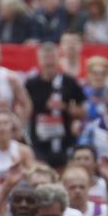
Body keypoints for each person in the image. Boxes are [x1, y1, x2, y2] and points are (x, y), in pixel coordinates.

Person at [26, 40, 86, 170]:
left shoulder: (69, 82)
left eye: (52, 57)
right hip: (39, 144)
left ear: (59, 58)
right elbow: (24, 111)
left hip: (65, 143)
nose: (49, 62)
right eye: (45, 58)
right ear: (39, 60)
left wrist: (65, 108)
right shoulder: (31, 84)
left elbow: (83, 112)